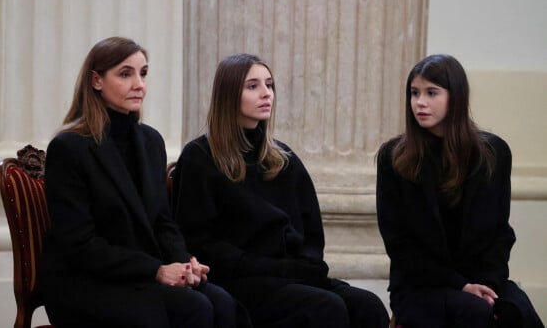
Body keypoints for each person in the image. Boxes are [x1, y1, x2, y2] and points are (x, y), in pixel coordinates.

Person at [41, 37, 249, 327]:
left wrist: (184, 264)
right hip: (85, 282)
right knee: (193, 308)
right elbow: (79, 245)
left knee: (224, 304)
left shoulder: (151, 141)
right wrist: (156, 270)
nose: (139, 84)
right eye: (125, 74)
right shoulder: (69, 148)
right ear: (96, 80)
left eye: (144, 73)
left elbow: (162, 221)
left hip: (140, 275)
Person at [172, 53, 390, 328]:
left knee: (368, 306)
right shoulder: (200, 157)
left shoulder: (282, 157)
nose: (267, 94)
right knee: (325, 307)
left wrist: (305, 265)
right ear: (228, 94)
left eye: (269, 85)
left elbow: (312, 234)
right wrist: (264, 267)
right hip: (240, 279)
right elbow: (197, 240)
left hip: (290, 274)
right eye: (253, 86)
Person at [376, 54, 544, 328]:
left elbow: (500, 234)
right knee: (474, 311)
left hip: (482, 278)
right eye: (414, 93)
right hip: (421, 286)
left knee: (516, 312)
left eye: (432, 93)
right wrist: (461, 285)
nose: (420, 102)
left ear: (456, 97)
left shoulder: (493, 153)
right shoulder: (394, 158)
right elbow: (400, 245)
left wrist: (486, 285)